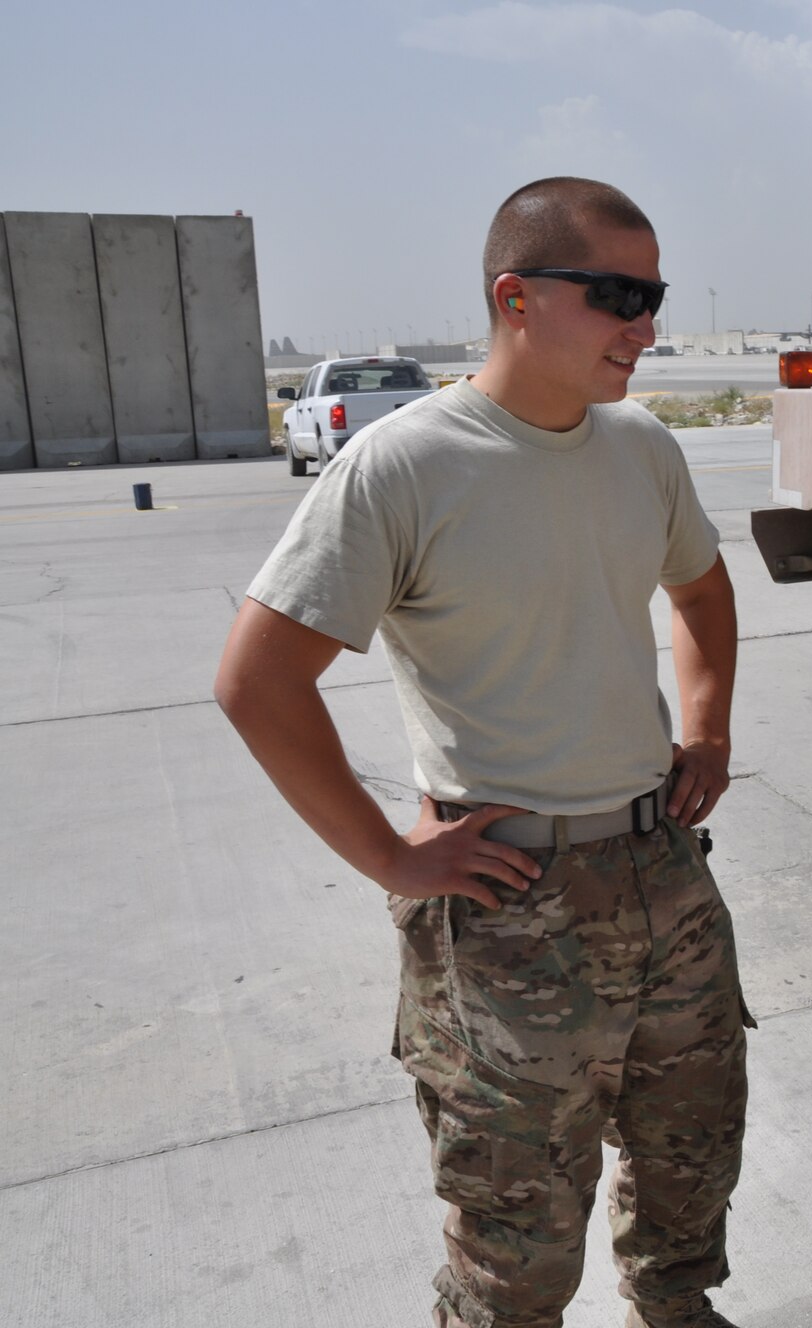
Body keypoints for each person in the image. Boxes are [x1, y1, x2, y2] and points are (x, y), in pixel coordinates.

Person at [214, 177, 750, 1328]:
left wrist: (703, 727)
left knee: (687, 1172)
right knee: (515, 1239)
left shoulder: (642, 448)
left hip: (661, 874)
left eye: (650, 294)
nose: (644, 325)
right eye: (615, 293)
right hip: (509, 898)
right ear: (516, 297)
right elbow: (256, 681)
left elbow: (702, 591)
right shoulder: (405, 466)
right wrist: (390, 859)